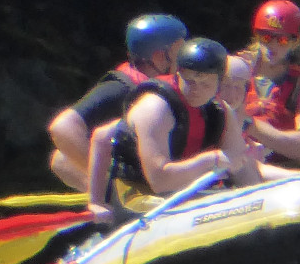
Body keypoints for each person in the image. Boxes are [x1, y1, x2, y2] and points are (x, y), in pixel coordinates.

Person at [85, 37, 261, 215]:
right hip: (137, 194)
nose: (196, 90)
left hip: (181, 193)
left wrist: (257, 201)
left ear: (220, 82)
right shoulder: (155, 108)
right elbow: (159, 181)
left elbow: (242, 166)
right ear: (178, 74)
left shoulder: (220, 110)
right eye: (190, 81)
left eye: (205, 84)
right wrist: (96, 202)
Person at [46, 14, 186, 189]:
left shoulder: (192, 85)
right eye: (180, 51)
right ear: (159, 56)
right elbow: (62, 127)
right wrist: (109, 182)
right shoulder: (119, 89)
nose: (186, 58)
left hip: (167, 172)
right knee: (61, 159)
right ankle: (115, 194)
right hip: (146, 180)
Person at [240, 0, 300, 165]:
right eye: (266, 37)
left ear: (295, 42)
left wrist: (248, 125)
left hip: (287, 172)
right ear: (257, 36)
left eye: (283, 40)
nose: (273, 45)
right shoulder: (237, 69)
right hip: (236, 163)